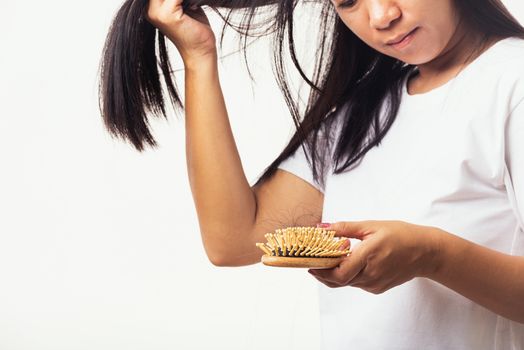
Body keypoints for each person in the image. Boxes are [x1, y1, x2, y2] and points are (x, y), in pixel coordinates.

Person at [99, 0, 524, 348]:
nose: (381, 17)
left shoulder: (512, 80)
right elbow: (232, 240)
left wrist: (433, 255)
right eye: (348, 3)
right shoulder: (368, 111)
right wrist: (198, 57)